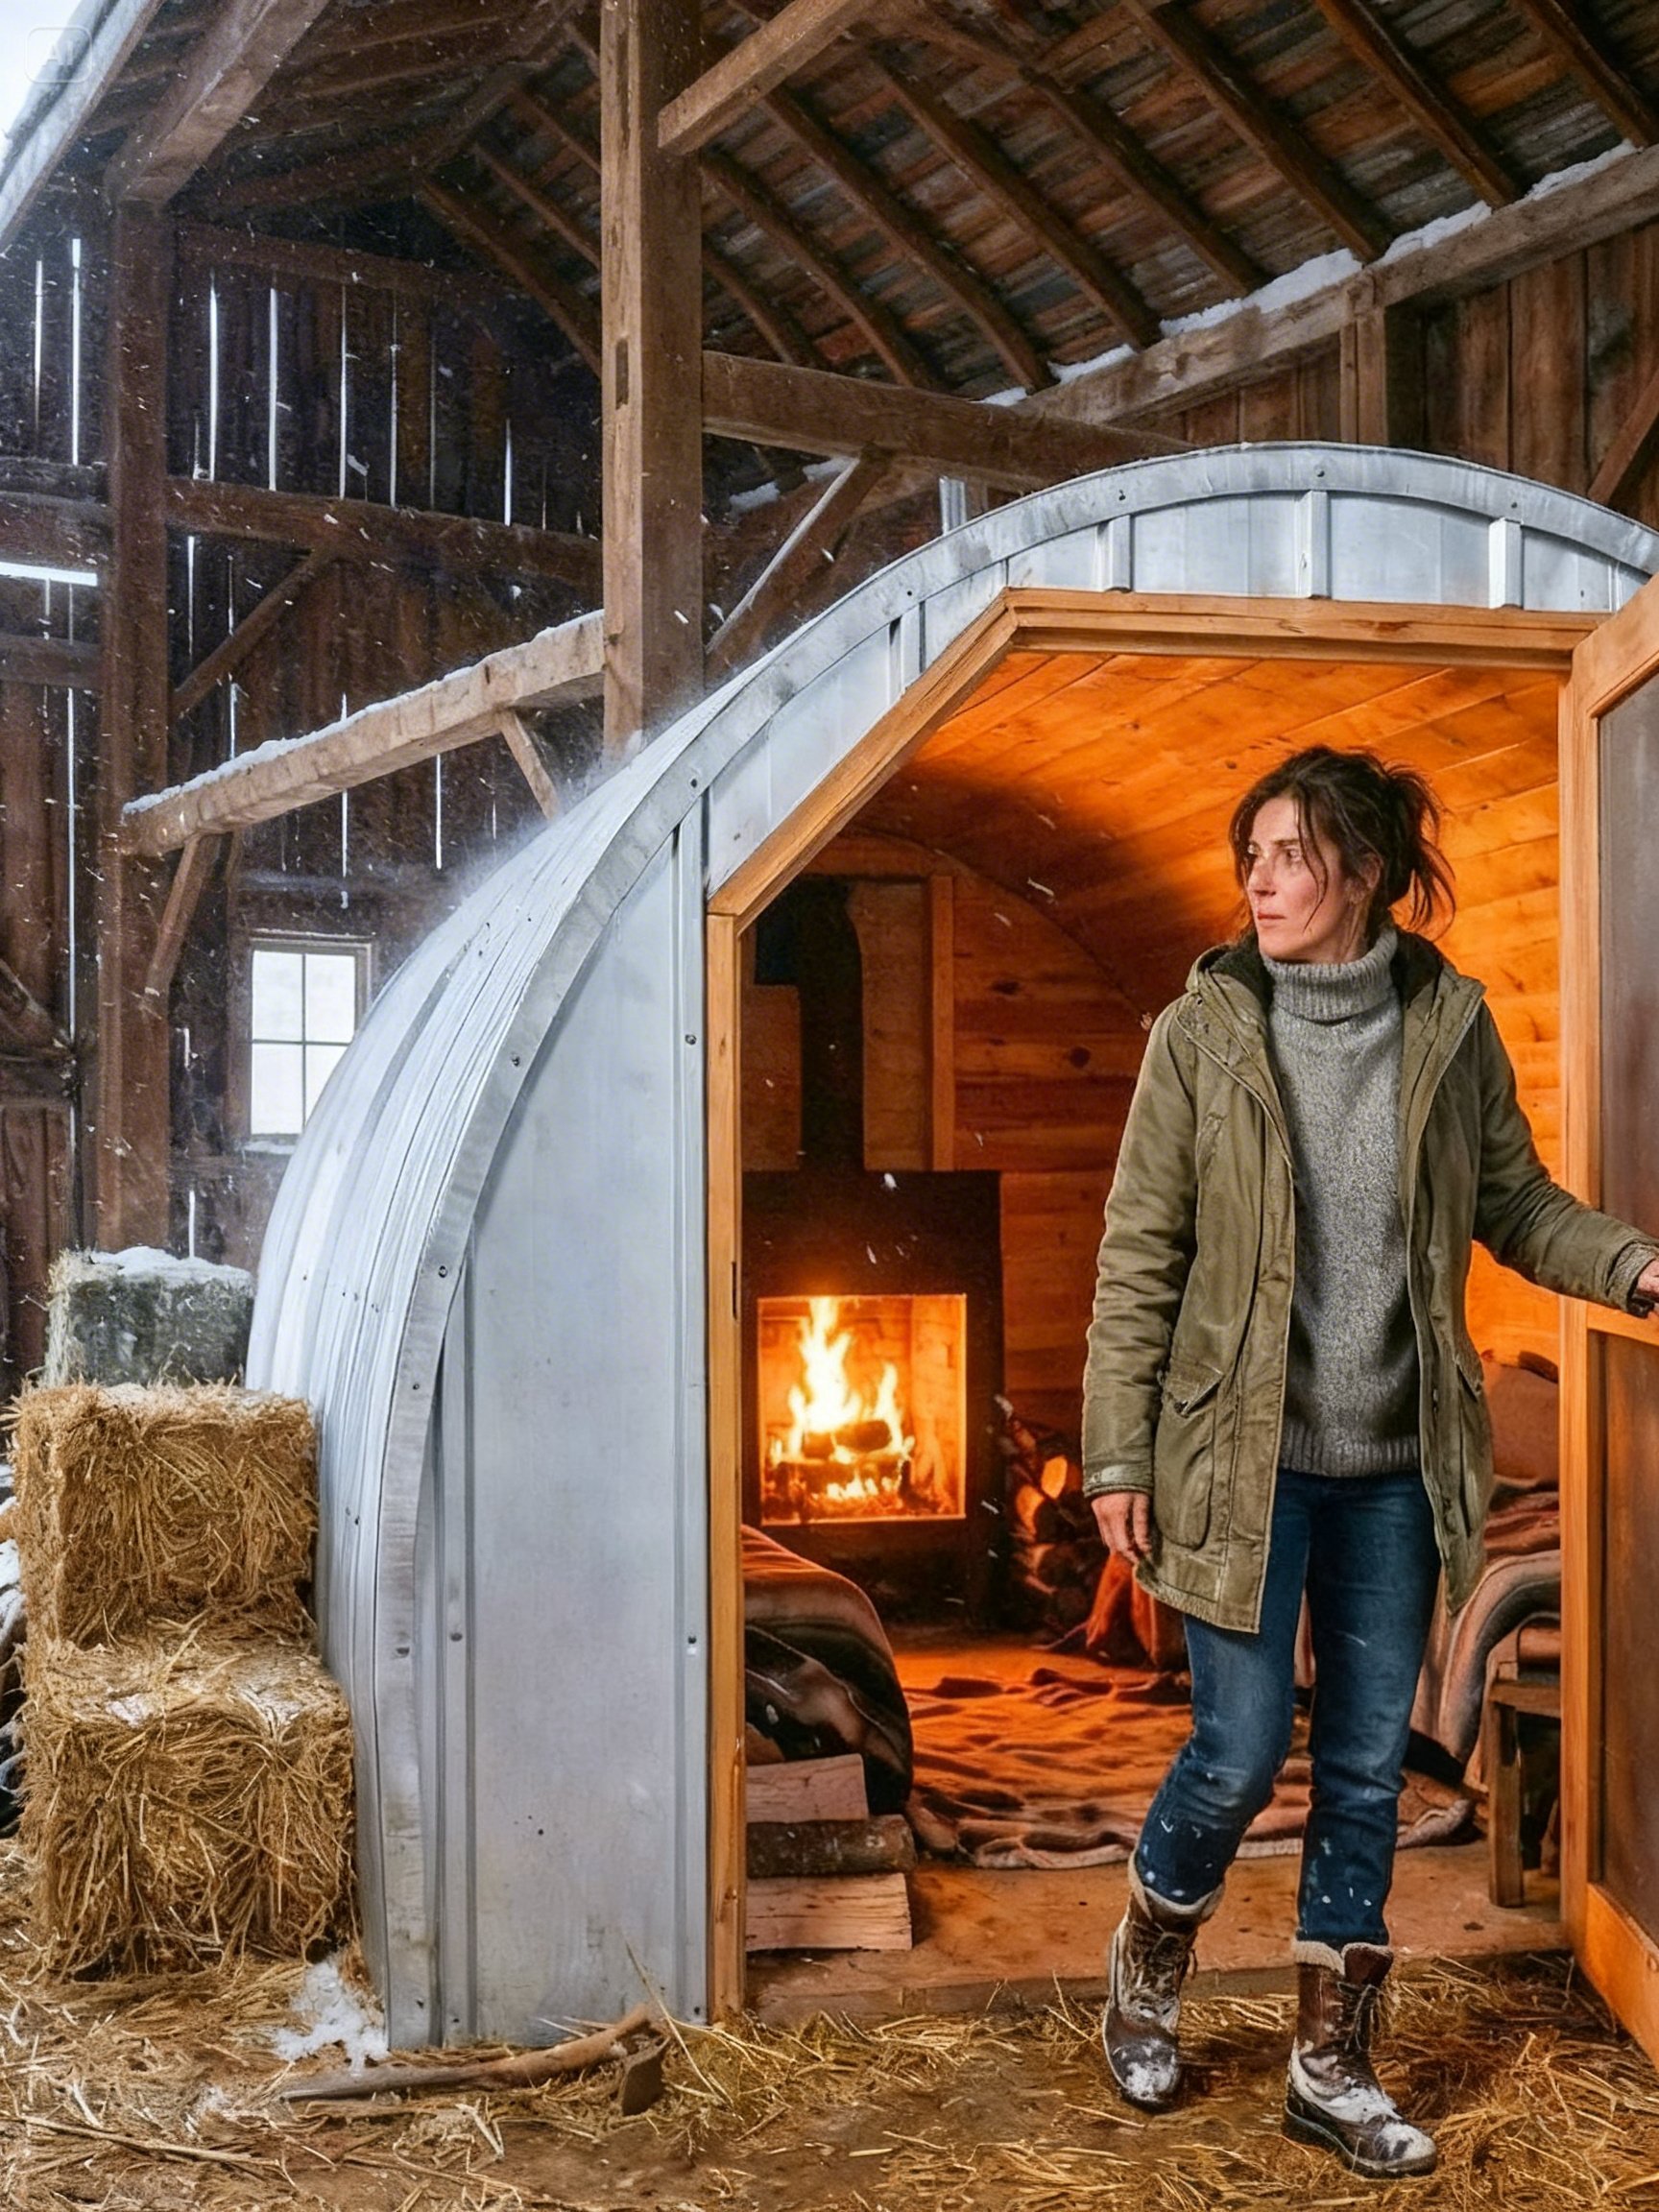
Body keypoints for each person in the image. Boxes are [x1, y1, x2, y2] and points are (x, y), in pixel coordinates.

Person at [1081, 744, 1659, 2180]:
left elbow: (1518, 1206)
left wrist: (1639, 1270)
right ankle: (1152, 1953)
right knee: (1232, 1753)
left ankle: (1331, 2068)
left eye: (1287, 854)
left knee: (1357, 1774)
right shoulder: (1199, 1033)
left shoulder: (1448, 1029)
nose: (1259, 881)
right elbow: (1136, 1259)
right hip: (1239, 1464)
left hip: (1396, 1472)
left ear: (1361, 872)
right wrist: (1113, 1455)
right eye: (1252, 855)